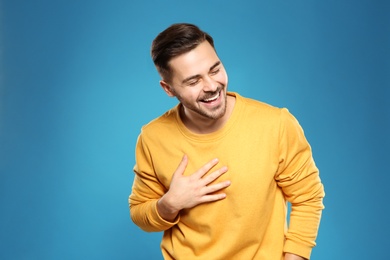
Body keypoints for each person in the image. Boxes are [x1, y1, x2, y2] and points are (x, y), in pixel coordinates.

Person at [129, 23, 325, 260]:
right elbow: (140, 213)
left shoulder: (276, 124)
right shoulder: (153, 138)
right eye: (193, 81)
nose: (212, 86)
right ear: (168, 89)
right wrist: (169, 204)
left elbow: (308, 197)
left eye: (215, 70)